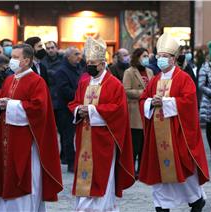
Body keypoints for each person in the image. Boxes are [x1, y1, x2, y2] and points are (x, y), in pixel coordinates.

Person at [139, 33, 209, 212]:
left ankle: (195, 199)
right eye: (159, 56)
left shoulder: (183, 78)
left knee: (183, 168)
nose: (161, 60)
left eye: (165, 57)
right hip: (157, 133)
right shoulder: (155, 79)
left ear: (174, 58)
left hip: (177, 132)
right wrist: (150, 103)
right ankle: (162, 206)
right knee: (159, 171)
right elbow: (143, 99)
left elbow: (189, 102)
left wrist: (165, 102)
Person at [0, 44, 63, 211]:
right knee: (7, 177)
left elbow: (38, 108)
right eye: (12, 57)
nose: (11, 61)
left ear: (26, 60)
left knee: (25, 178)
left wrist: (11, 105)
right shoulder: (9, 79)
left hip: (26, 142)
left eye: (15, 57)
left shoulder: (37, 81)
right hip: (7, 139)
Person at [68, 37, 135, 211]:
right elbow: (74, 102)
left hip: (104, 139)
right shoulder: (84, 82)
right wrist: (78, 110)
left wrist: (90, 110)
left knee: (102, 177)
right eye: (88, 62)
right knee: (84, 178)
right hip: (84, 137)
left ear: (103, 63)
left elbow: (118, 109)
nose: (89, 65)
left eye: (93, 63)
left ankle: (104, 208)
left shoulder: (114, 84)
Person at [123, 47, 154, 177]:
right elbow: (126, 90)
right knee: (135, 144)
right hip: (135, 111)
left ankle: (142, 170)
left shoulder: (150, 71)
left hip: (147, 110)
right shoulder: (129, 72)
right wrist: (143, 93)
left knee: (145, 144)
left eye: (147, 56)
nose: (146, 58)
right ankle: (130, 170)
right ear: (137, 57)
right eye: (144, 56)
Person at [55, 46, 83, 171]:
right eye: (76, 54)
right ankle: (71, 162)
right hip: (65, 109)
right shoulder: (62, 71)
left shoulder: (79, 68)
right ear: (68, 56)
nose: (79, 57)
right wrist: (80, 95)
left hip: (78, 107)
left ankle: (79, 160)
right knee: (68, 137)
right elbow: (64, 90)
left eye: (79, 54)